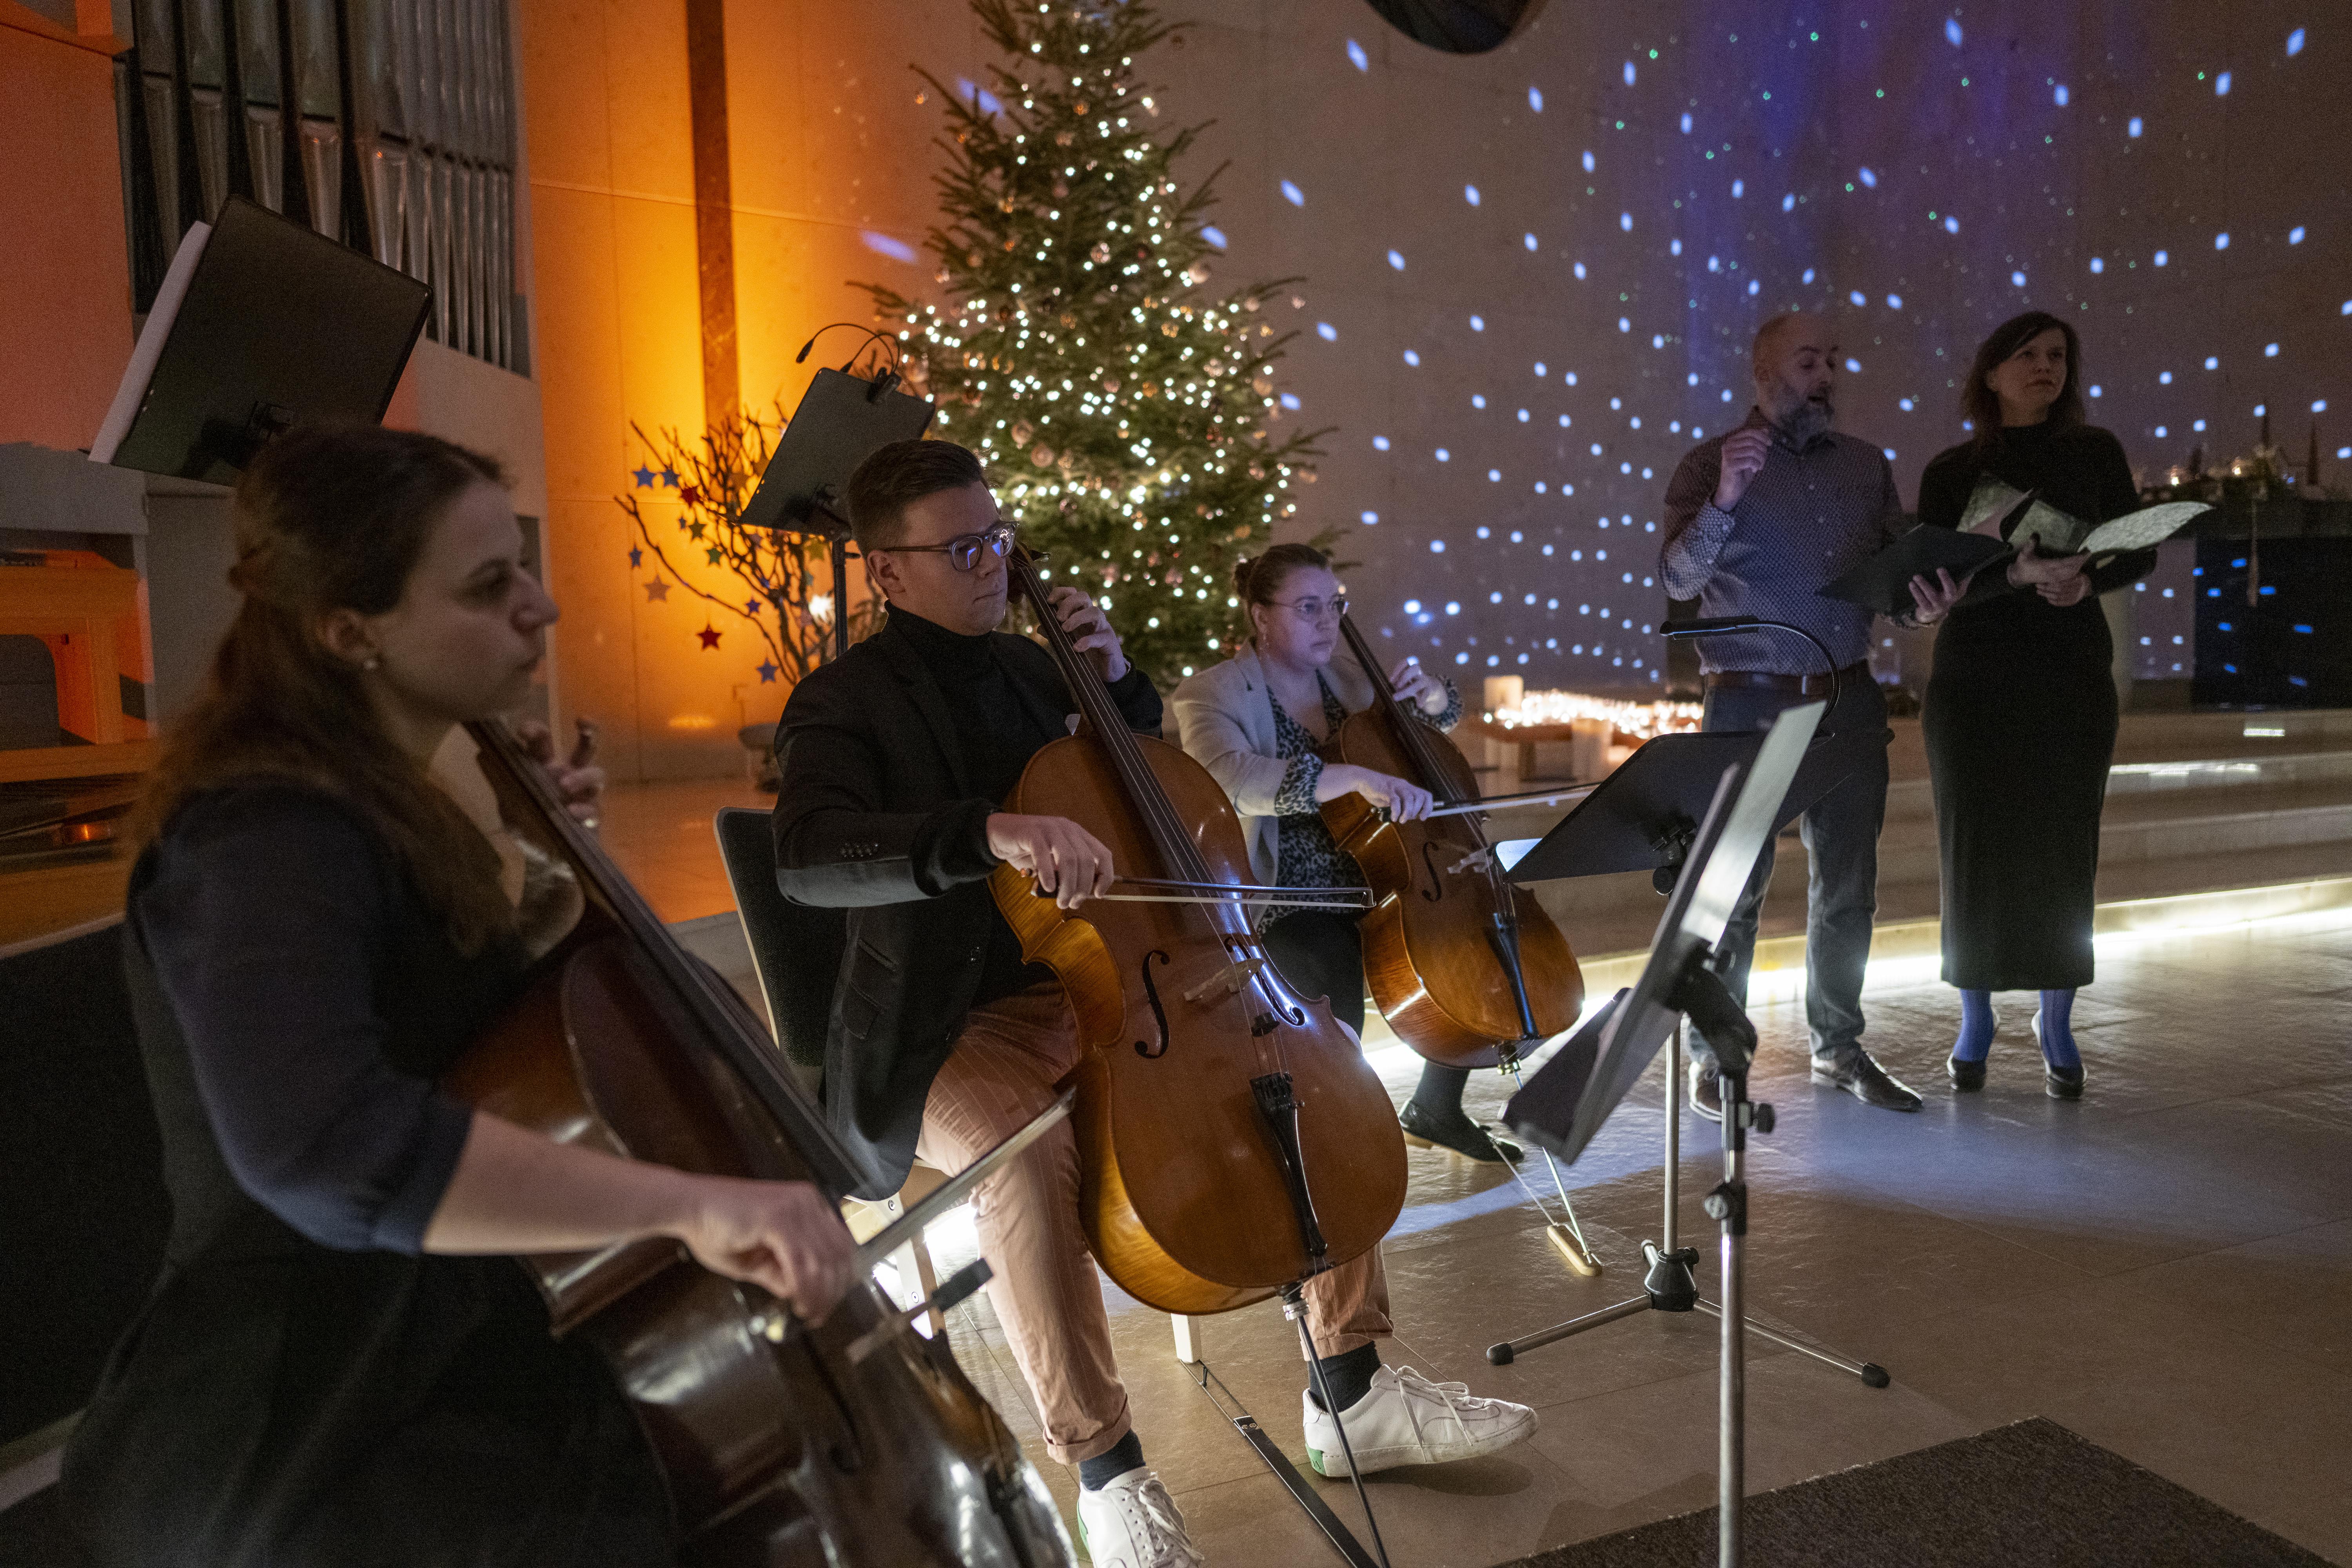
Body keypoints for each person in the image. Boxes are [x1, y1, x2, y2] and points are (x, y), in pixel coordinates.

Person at [60, 426, 858, 1567]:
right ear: (352, 630)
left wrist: (544, 863)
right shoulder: (261, 834)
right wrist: (684, 1205)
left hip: (467, 1337)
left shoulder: (388, 796)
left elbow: (456, 1032)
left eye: (521, 568)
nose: (540, 607)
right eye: (488, 585)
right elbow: (326, 1146)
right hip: (319, 1425)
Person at [771, 439, 1537, 1568]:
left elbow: (1144, 787)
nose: (996, 565)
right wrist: (987, 832)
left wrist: (1118, 683)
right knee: (1025, 1152)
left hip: (1116, 988)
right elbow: (807, 855)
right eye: (964, 549)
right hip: (946, 1025)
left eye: (999, 539)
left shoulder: (1036, 671)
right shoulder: (842, 702)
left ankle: (1353, 1392)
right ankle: (1108, 1471)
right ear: (886, 571)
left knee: (1305, 1066)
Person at [1659, 312, 1963, 1120]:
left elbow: (1895, 582)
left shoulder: (1866, 465)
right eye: (1808, 361)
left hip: (1848, 697)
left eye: (1832, 360)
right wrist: (1726, 498)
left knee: (1849, 884)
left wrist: (1927, 604)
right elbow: (1680, 580)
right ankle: (1716, 1053)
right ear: (1764, 373)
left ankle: (1838, 1045)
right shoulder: (1709, 462)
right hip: (1748, 701)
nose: (1825, 374)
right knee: (1734, 886)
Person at [1169, 543, 1522, 1163]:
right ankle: (1336, 1141)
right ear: (1260, 616)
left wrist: (1433, 700)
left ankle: (1437, 1107)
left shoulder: (1350, 677)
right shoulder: (1211, 693)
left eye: (1334, 605)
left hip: (1386, 876)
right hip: (1292, 899)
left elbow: (1428, 724)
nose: (1328, 622)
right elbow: (1227, 778)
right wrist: (1352, 777)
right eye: (1308, 608)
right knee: (1330, 987)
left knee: (1476, 946)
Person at [1915, 313, 2156, 1098]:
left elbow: (2140, 548)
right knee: (1974, 851)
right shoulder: (1952, 470)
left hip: (2069, 676)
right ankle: (1975, 1020)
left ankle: (2057, 1022)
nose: (2045, 366)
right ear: (1991, 372)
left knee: (2063, 850)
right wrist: (2012, 576)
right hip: (1975, 683)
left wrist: (2088, 580)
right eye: (2027, 354)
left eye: (2057, 355)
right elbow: (1933, 579)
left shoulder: (2095, 452)